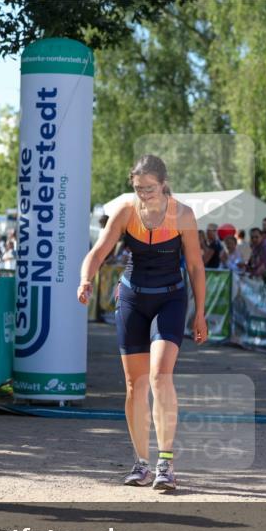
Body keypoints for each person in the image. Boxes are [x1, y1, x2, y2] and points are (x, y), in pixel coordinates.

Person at [77, 155, 207, 492]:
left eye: (149, 188)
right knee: (135, 385)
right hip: (133, 297)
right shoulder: (125, 211)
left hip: (170, 298)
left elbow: (195, 267)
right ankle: (141, 463)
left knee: (160, 376)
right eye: (138, 188)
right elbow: (99, 251)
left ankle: (166, 463)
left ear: (164, 184)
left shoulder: (183, 215)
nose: (144, 194)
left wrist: (201, 312)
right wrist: (85, 280)